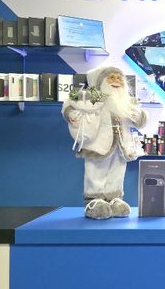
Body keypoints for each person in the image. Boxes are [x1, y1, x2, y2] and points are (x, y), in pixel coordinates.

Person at [62, 65, 147, 219]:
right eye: (111, 77)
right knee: (95, 173)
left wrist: (138, 116)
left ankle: (114, 198)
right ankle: (94, 200)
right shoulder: (92, 98)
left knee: (117, 172)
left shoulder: (126, 102)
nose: (116, 81)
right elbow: (70, 104)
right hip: (98, 145)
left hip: (121, 146)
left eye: (119, 78)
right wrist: (70, 114)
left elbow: (140, 120)